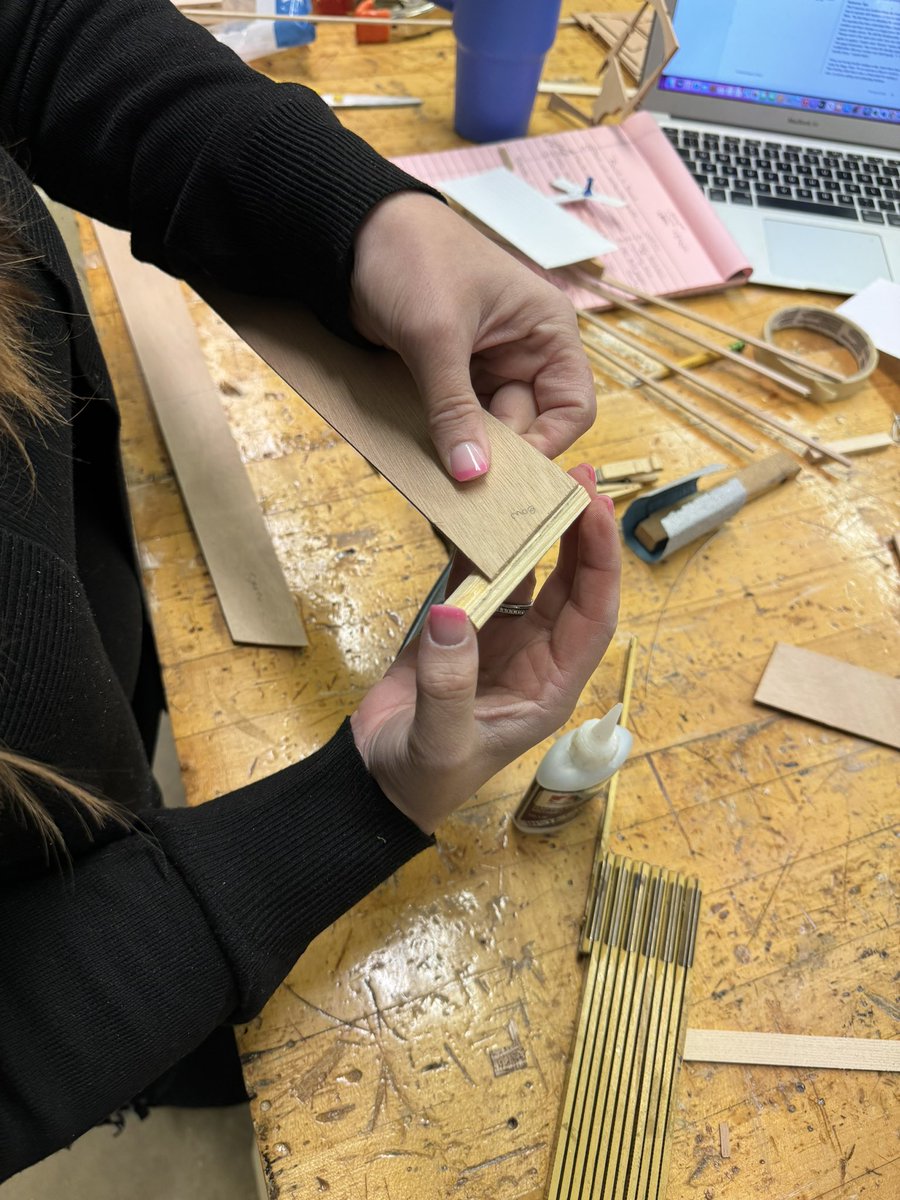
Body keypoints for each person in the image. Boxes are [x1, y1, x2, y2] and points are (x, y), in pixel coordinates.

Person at [0, 0, 621, 1182]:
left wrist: (361, 220)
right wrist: (333, 820)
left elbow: (33, 27)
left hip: (62, 616)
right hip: (59, 942)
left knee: (102, 716)